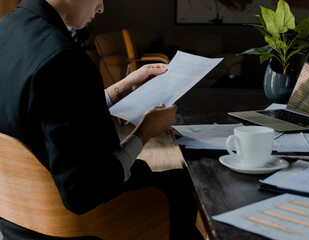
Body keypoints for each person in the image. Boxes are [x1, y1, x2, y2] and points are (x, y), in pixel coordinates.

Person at [0, 0, 203, 239]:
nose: (101, 8)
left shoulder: (7, 28)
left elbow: (55, 109)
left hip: (16, 223)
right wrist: (144, 132)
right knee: (183, 186)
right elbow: (84, 191)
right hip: (83, 228)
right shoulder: (62, 57)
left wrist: (122, 88)